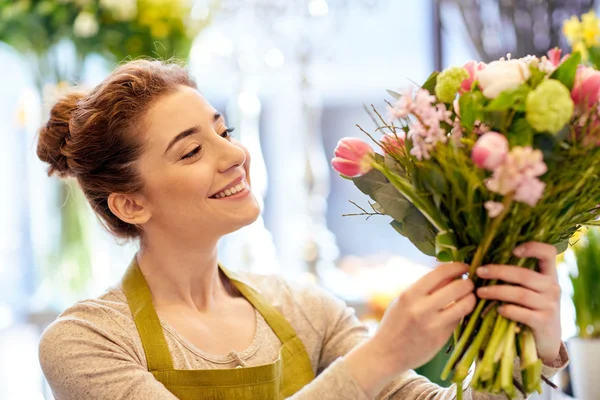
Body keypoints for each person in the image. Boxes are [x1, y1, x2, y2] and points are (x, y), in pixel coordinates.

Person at [37, 60, 568, 400]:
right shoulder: (86, 342)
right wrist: (382, 355)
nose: (236, 154)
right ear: (131, 203)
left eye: (225, 132)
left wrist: (534, 345)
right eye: (193, 150)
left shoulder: (305, 310)